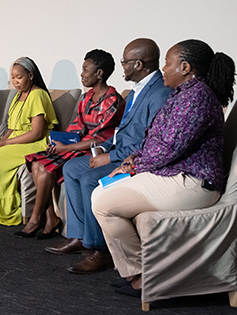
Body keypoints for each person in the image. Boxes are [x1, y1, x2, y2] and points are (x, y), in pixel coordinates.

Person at [92, 39, 236, 297]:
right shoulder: (185, 94)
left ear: (185, 67)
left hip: (193, 183)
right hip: (173, 174)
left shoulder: (197, 98)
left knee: (102, 201)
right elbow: (155, 141)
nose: (163, 68)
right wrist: (132, 159)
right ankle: (139, 273)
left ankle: (141, 276)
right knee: (102, 194)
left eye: (168, 63)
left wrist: (132, 167)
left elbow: (168, 148)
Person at [45, 38, 172, 274]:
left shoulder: (160, 93)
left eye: (125, 61)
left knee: (89, 178)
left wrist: (112, 157)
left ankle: (101, 251)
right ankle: (80, 237)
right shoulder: (135, 93)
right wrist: (104, 148)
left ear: (139, 64)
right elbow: (120, 131)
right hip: (115, 151)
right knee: (72, 168)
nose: (121, 66)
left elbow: (151, 142)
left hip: (132, 160)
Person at [17, 50, 125, 239]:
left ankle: (35, 219)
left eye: (85, 70)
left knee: (46, 166)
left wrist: (64, 148)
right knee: (37, 162)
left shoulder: (113, 101)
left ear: (99, 74)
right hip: (77, 146)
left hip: (95, 151)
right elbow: (77, 128)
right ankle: (50, 218)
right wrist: (60, 142)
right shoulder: (85, 98)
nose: (81, 74)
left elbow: (98, 140)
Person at [0, 57, 58, 226]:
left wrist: (5, 144)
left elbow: (37, 133)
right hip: (17, 140)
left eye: (19, 77)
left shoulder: (38, 94)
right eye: (13, 77)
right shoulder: (17, 96)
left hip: (33, 143)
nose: (15, 81)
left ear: (31, 75)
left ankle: (4, 208)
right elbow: (11, 128)